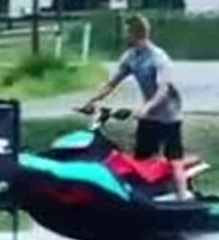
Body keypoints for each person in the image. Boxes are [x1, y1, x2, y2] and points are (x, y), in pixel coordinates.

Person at [79, 14, 192, 201]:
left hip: (169, 116)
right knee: (141, 161)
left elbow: (163, 89)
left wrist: (147, 107)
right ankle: (146, 196)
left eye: (126, 32)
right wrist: (92, 100)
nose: (124, 36)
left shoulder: (158, 58)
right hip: (148, 117)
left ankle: (183, 199)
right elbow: (112, 82)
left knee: (174, 161)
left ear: (136, 33)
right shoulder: (131, 57)